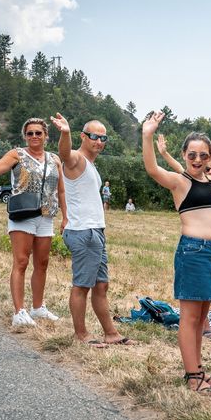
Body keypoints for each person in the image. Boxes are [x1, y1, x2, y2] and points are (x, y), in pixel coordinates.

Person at [142, 111, 211, 393]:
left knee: (201, 320)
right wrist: (147, 136)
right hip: (193, 252)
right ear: (184, 154)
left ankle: (198, 370)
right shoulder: (180, 182)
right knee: (190, 318)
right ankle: (192, 375)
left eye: (203, 156)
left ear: (209, 157)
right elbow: (151, 169)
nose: (198, 160)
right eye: (192, 155)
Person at [50, 113, 135, 347]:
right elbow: (65, 155)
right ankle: (81, 334)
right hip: (83, 231)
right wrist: (65, 133)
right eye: (94, 136)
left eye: (103, 137)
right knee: (82, 286)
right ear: (83, 136)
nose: (99, 141)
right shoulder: (77, 159)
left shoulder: (91, 166)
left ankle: (111, 333)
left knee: (101, 285)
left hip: (95, 231)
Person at [0, 118, 66, 327]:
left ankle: (38, 308)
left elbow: (61, 190)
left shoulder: (54, 159)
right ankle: (19, 312)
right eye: (30, 133)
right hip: (23, 214)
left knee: (42, 264)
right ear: (25, 136)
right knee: (21, 262)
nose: (34, 137)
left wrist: (66, 216)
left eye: (38, 133)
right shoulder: (16, 154)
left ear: (46, 135)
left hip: (46, 216)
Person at [155, 134, 211, 337]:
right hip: (194, 247)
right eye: (193, 156)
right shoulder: (186, 180)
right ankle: (205, 331)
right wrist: (163, 153)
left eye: (205, 160)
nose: (200, 163)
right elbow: (172, 169)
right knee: (194, 308)